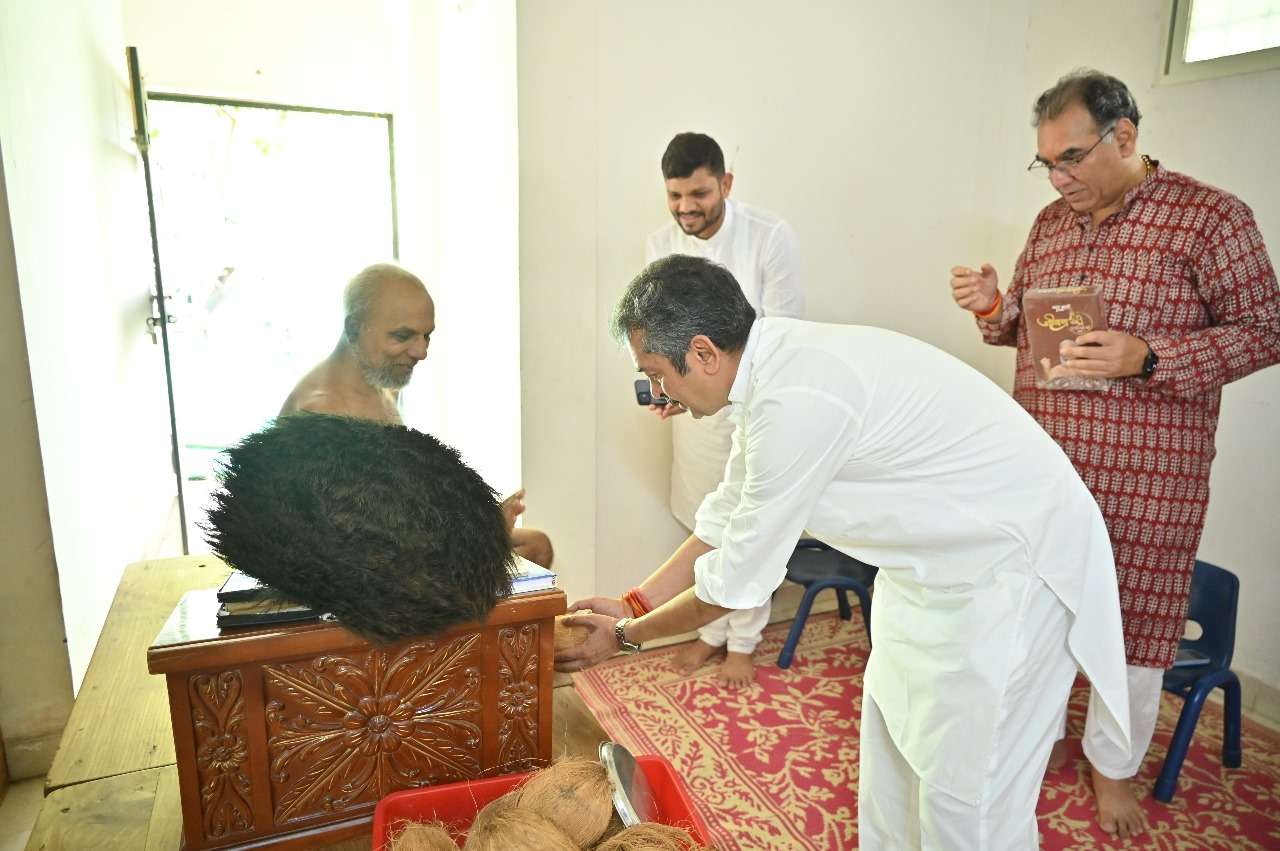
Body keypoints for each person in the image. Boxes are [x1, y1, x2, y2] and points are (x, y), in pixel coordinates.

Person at [559, 254, 1132, 849]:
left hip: (1011, 573)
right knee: (894, 754)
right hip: (928, 570)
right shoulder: (769, 373)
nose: (658, 393)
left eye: (656, 374)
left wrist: (624, 638)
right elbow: (726, 516)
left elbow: (733, 586)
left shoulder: (796, 398)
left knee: (967, 794)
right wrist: (632, 603)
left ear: (702, 353)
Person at [949, 69, 1280, 839]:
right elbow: (1024, 330)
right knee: (1033, 611)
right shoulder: (1050, 224)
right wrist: (994, 305)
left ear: (1124, 136)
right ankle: (1024, 736)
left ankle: (1113, 768)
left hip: (1149, 482)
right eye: (1046, 163)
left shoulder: (1210, 218)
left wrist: (1150, 356)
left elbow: (1266, 329)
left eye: (1070, 159)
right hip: (1046, 463)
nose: (1057, 179)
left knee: (1133, 628)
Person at [644, 132, 805, 687]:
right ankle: (710, 631)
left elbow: (782, 336)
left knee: (747, 526)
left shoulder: (769, 237)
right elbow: (658, 335)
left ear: (726, 183)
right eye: (675, 196)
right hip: (694, 416)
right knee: (703, 521)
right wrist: (671, 390)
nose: (686, 207)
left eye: (699, 194)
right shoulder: (660, 244)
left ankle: (743, 640)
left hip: (754, 408)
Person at [280, 262, 554, 567]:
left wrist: (480, 524)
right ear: (354, 327)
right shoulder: (320, 412)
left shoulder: (381, 385)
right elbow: (353, 545)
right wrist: (479, 540)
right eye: (403, 336)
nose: (421, 352)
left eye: (426, 336)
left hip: (387, 548)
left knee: (536, 546)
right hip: (352, 568)